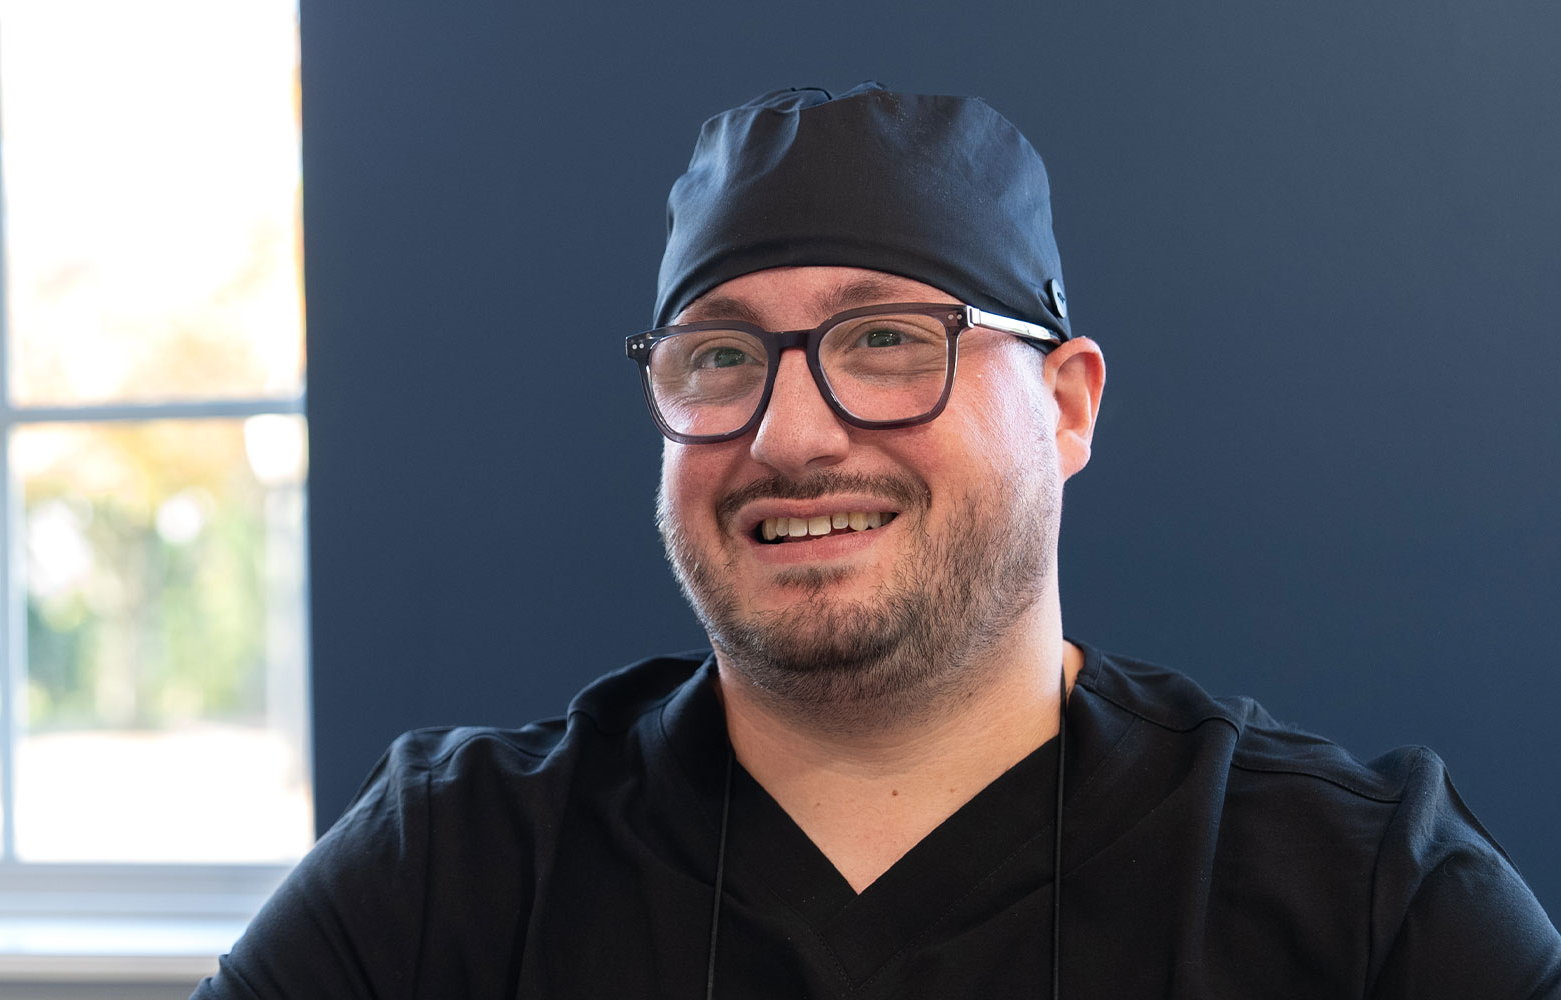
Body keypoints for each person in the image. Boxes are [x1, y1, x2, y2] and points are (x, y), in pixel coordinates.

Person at [192, 83, 1561, 998]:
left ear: (1068, 405)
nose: (789, 435)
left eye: (890, 340)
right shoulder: (453, 875)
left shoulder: (1362, 902)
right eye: (719, 357)